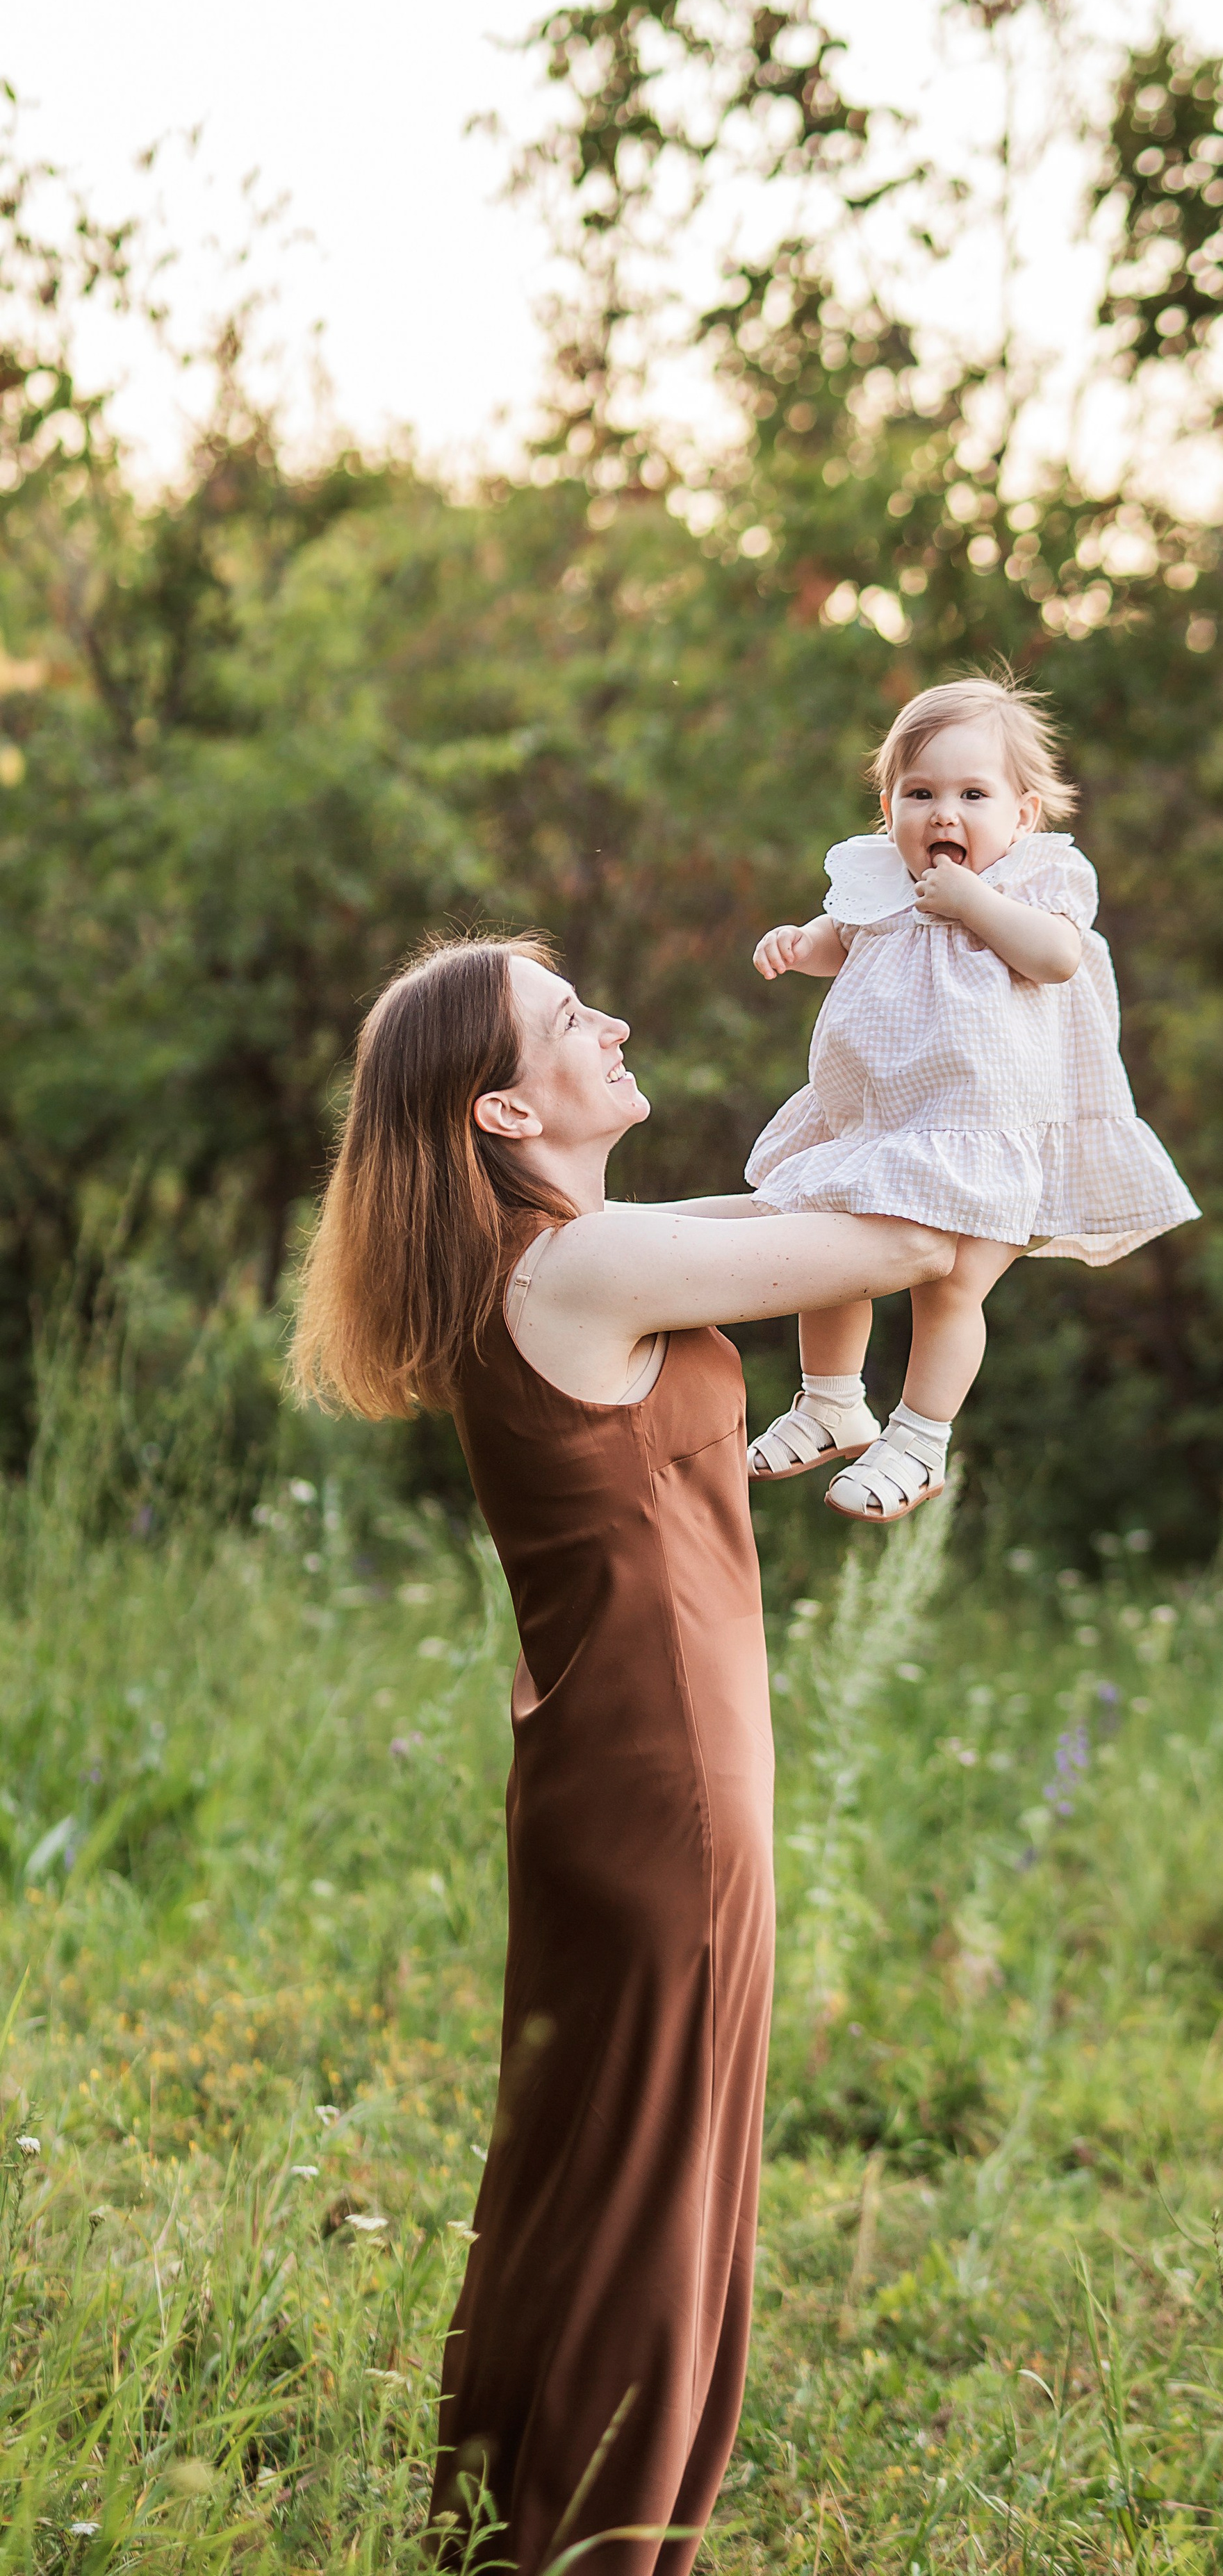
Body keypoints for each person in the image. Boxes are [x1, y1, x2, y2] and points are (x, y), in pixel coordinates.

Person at [288, 933, 951, 2576]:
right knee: (653, 2200)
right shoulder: (580, 1271)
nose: (617, 1023)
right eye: (573, 1020)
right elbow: (910, 1234)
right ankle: (593, 2552)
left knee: (583, 2181)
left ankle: (505, 2541)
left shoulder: (565, 1258)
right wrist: (993, 1047)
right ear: (504, 1109)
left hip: (614, 1780)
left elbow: (800, 1212)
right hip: (671, 1796)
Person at [746, 671, 1199, 1523]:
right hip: (882, 1125)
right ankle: (831, 1399)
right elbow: (839, 939)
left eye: (971, 794)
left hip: (995, 1132)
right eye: (919, 793)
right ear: (889, 808)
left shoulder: (1038, 878)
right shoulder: (880, 881)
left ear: (1022, 814)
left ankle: (920, 1439)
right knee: (826, 1250)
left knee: (951, 1284)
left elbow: (1055, 958)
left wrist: (973, 901)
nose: (942, 814)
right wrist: (796, 944)